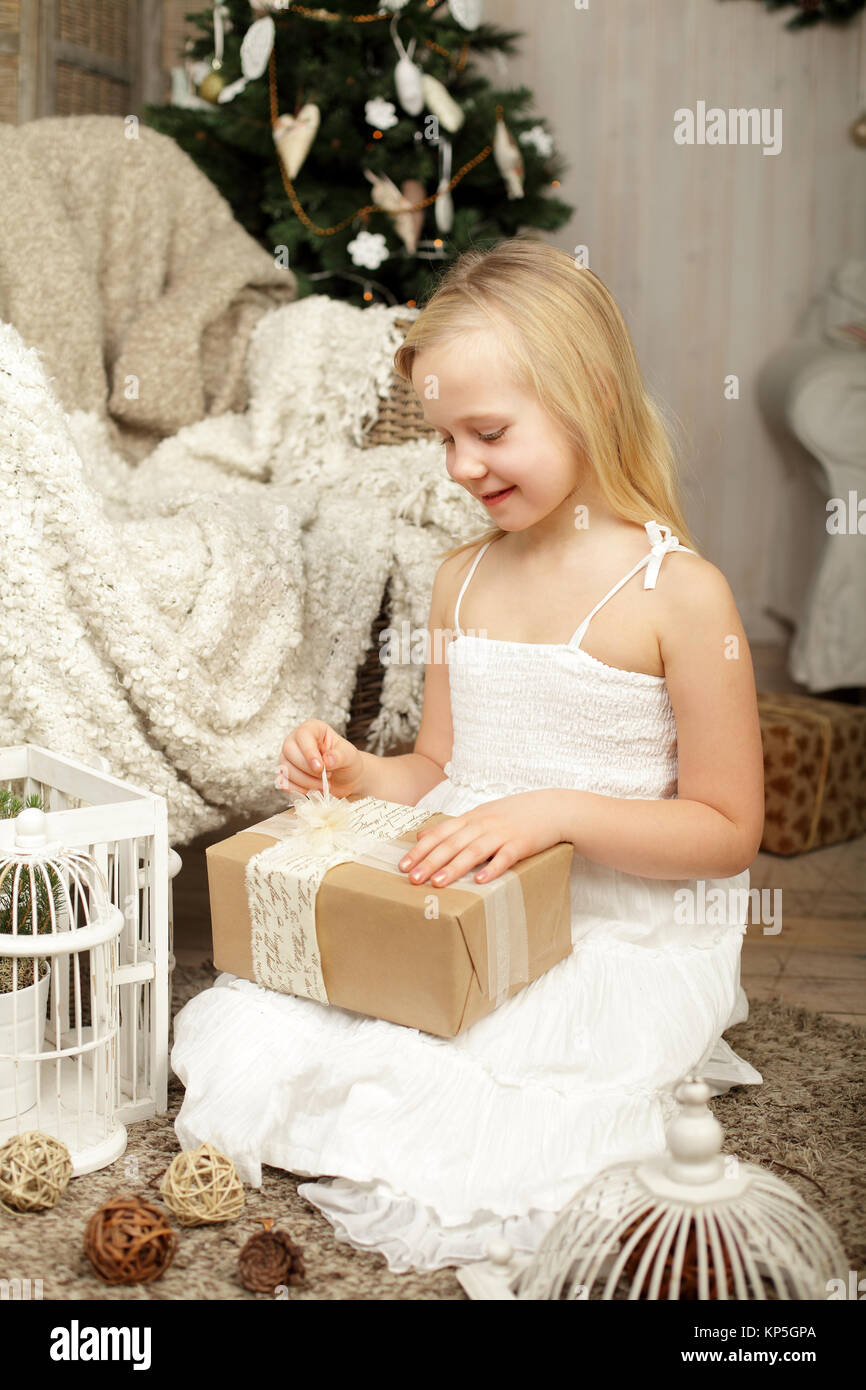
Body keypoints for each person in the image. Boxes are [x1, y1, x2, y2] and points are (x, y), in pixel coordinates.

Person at [171, 236, 765, 1275]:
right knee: (260, 1038)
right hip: (458, 891)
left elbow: (724, 833)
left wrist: (553, 812)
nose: (459, 467)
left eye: (486, 432)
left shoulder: (678, 594)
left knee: (484, 1111)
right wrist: (357, 772)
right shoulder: (458, 578)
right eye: (443, 438)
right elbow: (435, 766)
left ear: (587, 396)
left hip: (602, 922)